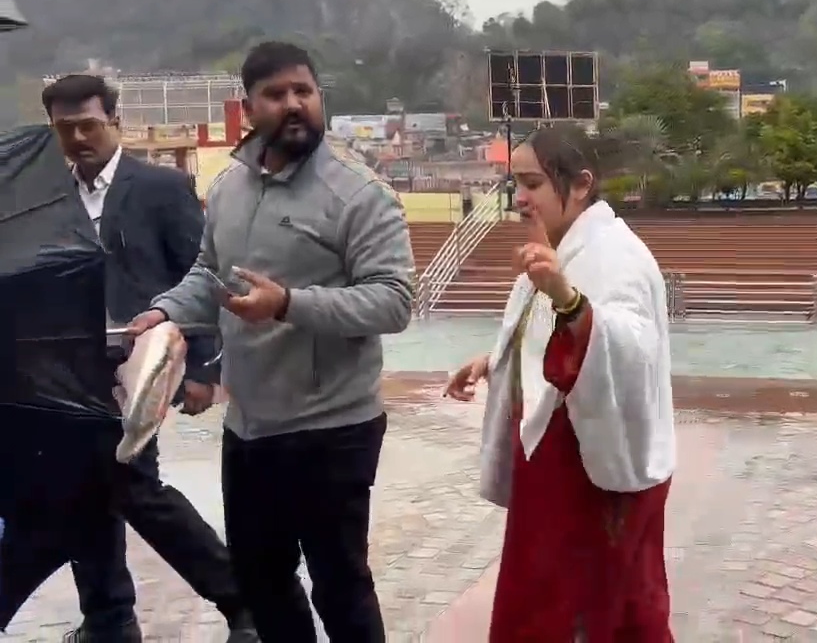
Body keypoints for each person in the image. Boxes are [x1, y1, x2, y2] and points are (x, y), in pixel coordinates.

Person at [128, 41, 414, 643]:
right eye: (276, 94)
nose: (293, 104)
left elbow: (393, 301)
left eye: (303, 91)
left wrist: (288, 303)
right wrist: (163, 312)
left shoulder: (360, 194)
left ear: (319, 97)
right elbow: (209, 274)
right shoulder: (230, 187)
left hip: (332, 428)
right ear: (249, 106)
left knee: (339, 585)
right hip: (251, 428)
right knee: (262, 581)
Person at [40, 74, 258, 643]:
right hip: (68, 373)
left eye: (89, 125)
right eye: (65, 129)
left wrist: (206, 369)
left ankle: (241, 600)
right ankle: (109, 618)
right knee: (86, 491)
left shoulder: (161, 187)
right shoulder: (49, 195)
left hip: (139, 366)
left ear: (115, 120)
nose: (78, 138)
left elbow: (203, 274)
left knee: (135, 489)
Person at [444, 125, 677, 641]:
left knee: (596, 607)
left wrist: (567, 298)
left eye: (532, 184)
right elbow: (544, 336)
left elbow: (631, 351)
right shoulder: (564, 248)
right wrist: (495, 361)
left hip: (588, 474)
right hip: (553, 469)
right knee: (553, 598)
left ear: (581, 184)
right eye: (516, 184)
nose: (520, 198)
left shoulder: (617, 256)